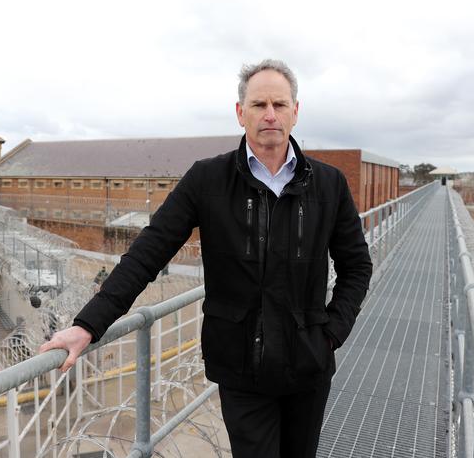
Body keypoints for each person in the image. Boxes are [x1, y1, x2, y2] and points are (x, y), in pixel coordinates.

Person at [39, 59, 372, 458]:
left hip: (309, 365)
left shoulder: (329, 184)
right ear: (240, 113)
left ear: (295, 112)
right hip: (240, 369)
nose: (270, 114)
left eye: (280, 105)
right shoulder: (207, 180)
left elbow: (357, 265)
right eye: (259, 104)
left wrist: (332, 333)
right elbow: (148, 253)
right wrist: (88, 324)